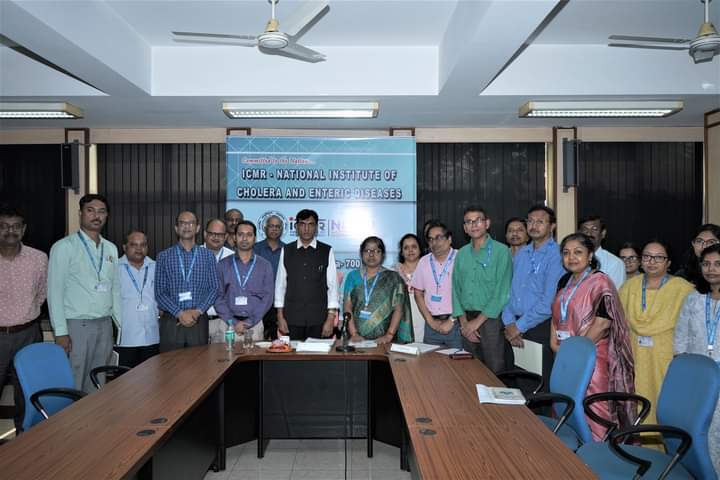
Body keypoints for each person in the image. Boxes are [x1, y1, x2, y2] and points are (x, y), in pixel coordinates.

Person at [551, 233, 635, 441]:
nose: (571, 257)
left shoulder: (600, 281)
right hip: (564, 356)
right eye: (566, 253)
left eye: (578, 252)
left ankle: (598, 460)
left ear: (590, 256)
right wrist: (554, 344)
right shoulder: (564, 281)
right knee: (566, 407)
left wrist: (577, 354)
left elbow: (603, 323)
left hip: (592, 358)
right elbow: (556, 316)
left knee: (594, 410)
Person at [619, 239, 694, 443]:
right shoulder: (629, 286)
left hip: (665, 358)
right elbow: (619, 324)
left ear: (668, 262)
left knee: (664, 403)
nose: (652, 261)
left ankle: (669, 453)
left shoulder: (683, 289)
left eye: (658, 257)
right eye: (647, 257)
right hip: (636, 355)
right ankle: (640, 448)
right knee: (638, 401)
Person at [48, 194, 121, 391]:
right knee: (74, 378)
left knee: (99, 380)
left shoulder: (111, 249)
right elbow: (54, 293)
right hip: (77, 327)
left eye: (102, 211)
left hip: (105, 326)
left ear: (107, 216)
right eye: (91, 210)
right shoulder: (63, 247)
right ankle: (71, 422)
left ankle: (95, 421)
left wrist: (121, 325)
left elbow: (114, 290)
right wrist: (61, 332)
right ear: (80, 213)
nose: (96, 216)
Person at [502, 205, 565, 389]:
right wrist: (509, 323)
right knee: (515, 383)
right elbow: (508, 293)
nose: (534, 225)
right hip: (513, 327)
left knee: (537, 387)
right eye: (530, 221)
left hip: (539, 327)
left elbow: (548, 302)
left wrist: (519, 327)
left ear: (552, 226)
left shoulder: (558, 255)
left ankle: (540, 419)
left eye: (540, 221)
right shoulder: (521, 254)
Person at [674, 244, 720, 475]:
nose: (711, 269)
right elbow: (681, 338)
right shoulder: (693, 299)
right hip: (697, 379)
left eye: (718, 264)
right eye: (706, 264)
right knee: (697, 428)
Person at [0, 205, 47, 431]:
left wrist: (24, 315)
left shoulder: (38, 258)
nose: (10, 231)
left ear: (24, 229)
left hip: (29, 335)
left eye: (16, 226)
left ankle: (24, 442)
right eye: (4, 226)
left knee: (27, 393)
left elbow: (42, 294)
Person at [452, 206, 513, 373]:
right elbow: (455, 289)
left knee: (494, 369)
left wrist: (476, 323)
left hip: (489, 319)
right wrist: (464, 323)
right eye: (469, 222)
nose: (474, 225)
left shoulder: (501, 251)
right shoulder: (462, 253)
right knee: (469, 369)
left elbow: (501, 292)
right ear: (464, 227)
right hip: (465, 318)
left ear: (487, 223)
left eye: (478, 220)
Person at [154, 211, 219, 351]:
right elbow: (159, 293)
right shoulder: (163, 256)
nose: (187, 227)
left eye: (191, 223)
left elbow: (214, 289)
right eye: (182, 223)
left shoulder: (208, 256)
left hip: (198, 320)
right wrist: (180, 313)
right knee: (170, 367)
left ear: (197, 228)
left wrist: (197, 311)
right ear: (176, 228)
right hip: (172, 320)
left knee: (199, 367)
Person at [274, 209, 339, 340]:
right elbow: (280, 286)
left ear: (316, 227)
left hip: (319, 319)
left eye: (311, 224)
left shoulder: (326, 251)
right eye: (302, 224)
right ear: (296, 227)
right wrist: (280, 317)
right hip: (292, 317)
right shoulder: (287, 250)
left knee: (317, 359)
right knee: (291, 358)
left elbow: (333, 286)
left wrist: (331, 318)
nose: (306, 228)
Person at [344, 236, 412, 343]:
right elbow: (347, 307)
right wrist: (354, 334)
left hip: (385, 340)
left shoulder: (394, 278)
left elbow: (398, 309)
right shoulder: (352, 276)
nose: (371, 254)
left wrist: (389, 335)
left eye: (377, 251)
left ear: (383, 255)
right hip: (357, 340)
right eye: (367, 250)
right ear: (361, 254)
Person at [215, 221, 274, 342]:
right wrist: (233, 322)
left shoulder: (265, 265)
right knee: (225, 360)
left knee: (253, 360)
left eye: (249, 235)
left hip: (255, 326)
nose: (245, 238)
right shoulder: (222, 265)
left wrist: (249, 322)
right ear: (235, 237)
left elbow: (268, 298)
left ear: (255, 238)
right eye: (241, 234)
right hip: (228, 325)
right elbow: (217, 297)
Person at [411, 223, 461, 348]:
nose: (434, 242)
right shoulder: (424, 261)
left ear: (449, 239)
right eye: (431, 239)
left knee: (458, 365)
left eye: (439, 237)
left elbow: (466, 293)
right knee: (431, 365)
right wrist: (430, 321)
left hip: (456, 324)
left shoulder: (461, 258)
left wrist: (452, 320)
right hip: (431, 326)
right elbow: (418, 293)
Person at [115, 230, 159, 368]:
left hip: (151, 337)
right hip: (125, 339)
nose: (139, 248)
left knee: (152, 383)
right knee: (125, 383)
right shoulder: (114, 268)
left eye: (143, 244)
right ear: (124, 247)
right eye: (134, 244)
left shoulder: (156, 267)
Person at [202, 218, 234, 344]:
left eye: (220, 234)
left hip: (224, 322)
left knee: (223, 361)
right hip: (199, 322)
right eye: (212, 233)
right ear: (205, 234)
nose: (216, 237)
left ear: (226, 236)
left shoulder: (232, 258)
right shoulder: (193, 255)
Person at [254, 215, 285, 340]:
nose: (274, 229)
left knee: (278, 341)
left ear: (282, 230)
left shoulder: (288, 250)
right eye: (271, 226)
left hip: (280, 304)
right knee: (258, 340)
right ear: (265, 228)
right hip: (258, 302)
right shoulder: (255, 249)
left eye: (277, 227)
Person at [579, 216, 626, 289]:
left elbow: (615, 295)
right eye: (585, 230)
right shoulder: (573, 260)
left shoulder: (615, 263)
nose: (589, 233)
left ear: (603, 233)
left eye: (594, 229)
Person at [394, 233, 423, 342]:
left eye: (414, 247)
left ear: (420, 249)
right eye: (406, 248)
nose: (410, 250)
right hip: (401, 319)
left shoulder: (428, 269)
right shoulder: (394, 272)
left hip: (424, 318)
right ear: (401, 252)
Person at [676, 223, 720, 289]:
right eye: (699, 241)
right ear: (693, 244)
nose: (704, 246)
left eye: (711, 242)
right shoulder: (682, 274)